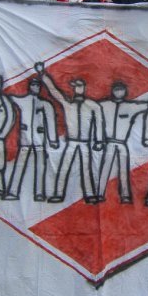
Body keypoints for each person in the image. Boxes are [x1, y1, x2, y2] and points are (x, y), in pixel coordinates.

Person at [35, 62, 105, 204]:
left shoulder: (93, 106)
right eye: (75, 86)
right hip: (72, 142)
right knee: (64, 168)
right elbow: (54, 91)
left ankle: (90, 194)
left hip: (85, 142)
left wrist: (98, 140)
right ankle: (58, 193)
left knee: (87, 169)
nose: (77, 88)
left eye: (79, 86)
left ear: (83, 87)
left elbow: (99, 123)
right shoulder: (68, 105)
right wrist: (43, 75)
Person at [4, 78, 59, 202]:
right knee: (20, 165)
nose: (36, 87)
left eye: (38, 85)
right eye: (33, 85)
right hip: (25, 139)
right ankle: (12, 191)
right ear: (30, 86)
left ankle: (39, 192)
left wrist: (53, 139)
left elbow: (51, 121)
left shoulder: (45, 104)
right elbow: (10, 98)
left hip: (40, 140)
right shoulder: (23, 100)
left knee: (40, 167)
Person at [97, 82, 148, 203]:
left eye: (121, 89)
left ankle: (125, 195)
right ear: (112, 91)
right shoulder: (105, 105)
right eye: (116, 89)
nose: (118, 92)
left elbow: (147, 106)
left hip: (122, 143)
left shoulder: (129, 106)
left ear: (125, 91)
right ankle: (99, 193)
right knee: (105, 169)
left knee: (123, 170)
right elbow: (91, 107)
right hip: (109, 143)